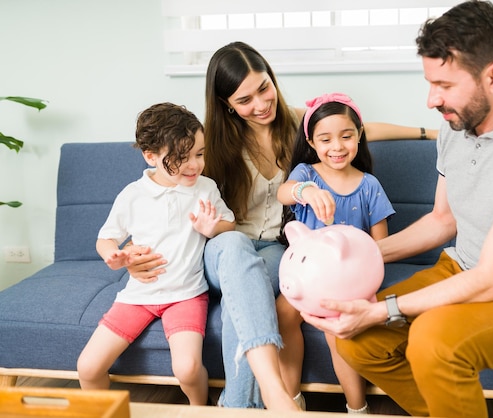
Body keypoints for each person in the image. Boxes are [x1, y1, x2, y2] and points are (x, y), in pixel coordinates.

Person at [301, 2, 493, 417]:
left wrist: (381, 309)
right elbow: (441, 221)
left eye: (444, 84)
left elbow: (492, 280)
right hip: (460, 266)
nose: (432, 99)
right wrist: (352, 256)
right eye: (430, 83)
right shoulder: (457, 127)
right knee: (356, 340)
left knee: (433, 341)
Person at [123, 41, 436, 411]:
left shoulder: (296, 123)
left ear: (272, 78)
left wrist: (428, 133)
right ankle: (272, 390)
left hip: (275, 252)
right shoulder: (209, 143)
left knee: (250, 287)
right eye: (244, 100)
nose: (260, 104)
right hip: (220, 247)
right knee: (237, 249)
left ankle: (240, 407)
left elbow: (355, 128)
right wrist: (133, 250)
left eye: (264, 88)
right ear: (226, 104)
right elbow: (162, 190)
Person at [76, 103, 236, 406]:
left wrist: (212, 227)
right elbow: (105, 238)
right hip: (138, 296)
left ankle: (200, 410)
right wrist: (115, 255)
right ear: (151, 156)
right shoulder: (133, 195)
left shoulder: (205, 188)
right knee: (88, 366)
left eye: (199, 154)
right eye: (180, 158)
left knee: (187, 369)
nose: (194, 165)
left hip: (186, 295)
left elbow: (230, 223)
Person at [276, 92, 396, 414]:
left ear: (359, 135)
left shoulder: (369, 185)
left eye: (346, 136)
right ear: (312, 142)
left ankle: (357, 408)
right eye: (325, 139)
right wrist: (306, 191)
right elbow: (284, 193)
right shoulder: (307, 174)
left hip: (349, 283)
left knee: (337, 335)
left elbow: (380, 246)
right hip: (307, 278)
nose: (337, 147)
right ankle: (291, 401)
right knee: (281, 315)